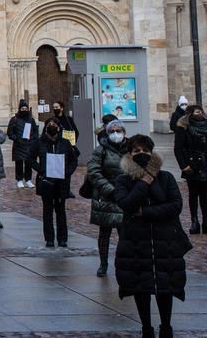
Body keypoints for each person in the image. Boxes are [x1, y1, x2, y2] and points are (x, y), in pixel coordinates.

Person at [114, 134, 189, 338]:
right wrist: (144, 181)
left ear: (151, 152)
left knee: (165, 287)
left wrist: (145, 212)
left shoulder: (166, 178)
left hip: (165, 241)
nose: (141, 154)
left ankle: (166, 326)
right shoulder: (123, 180)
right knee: (141, 287)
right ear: (129, 154)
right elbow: (127, 204)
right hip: (136, 242)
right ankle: (146, 327)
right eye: (136, 151)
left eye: (145, 150)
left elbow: (175, 205)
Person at [29, 117, 79, 247]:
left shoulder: (65, 143)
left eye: (54, 125)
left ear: (58, 128)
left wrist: (68, 171)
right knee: (47, 210)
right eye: (49, 124)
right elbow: (31, 159)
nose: (52, 127)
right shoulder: (39, 142)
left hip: (61, 181)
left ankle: (62, 239)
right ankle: (49, 239)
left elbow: (73, 160)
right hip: (46, 181)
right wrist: (40, 169)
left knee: (61, 211)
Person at [88, 118, 128, 277]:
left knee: (125, 234)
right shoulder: (101, 150)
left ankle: (123, 263)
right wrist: (109, 189)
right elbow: (93, 172)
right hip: (106, 196)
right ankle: (103, 263)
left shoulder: (131, 148)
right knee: (104, 233)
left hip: (125, 197)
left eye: (119, 131)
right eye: (112, 131)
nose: (116, 134)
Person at [174, 104, 207, 235]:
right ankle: (194, 221)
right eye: (196, 111)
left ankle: (205, 221)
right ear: (189, 114)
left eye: (200, 111)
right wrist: (184, 166)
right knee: (193, 193)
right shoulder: (183, 127)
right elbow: (178, 149)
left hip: (205, 163)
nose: (199, 113)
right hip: (192, 164)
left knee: (205, 194)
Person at [6, 100, 38, 188]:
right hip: (19, 145)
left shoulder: (31, 120)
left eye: (25, 108)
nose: (24, 110)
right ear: (19, 109)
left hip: (29, 145)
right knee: (19, 163)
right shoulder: (14, 119)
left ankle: (28, 180)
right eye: (22, 108)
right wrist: (17, 139)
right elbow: (10, 133)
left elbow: (35, 131)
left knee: (29, 163)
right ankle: (19, 180)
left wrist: (34, 140)